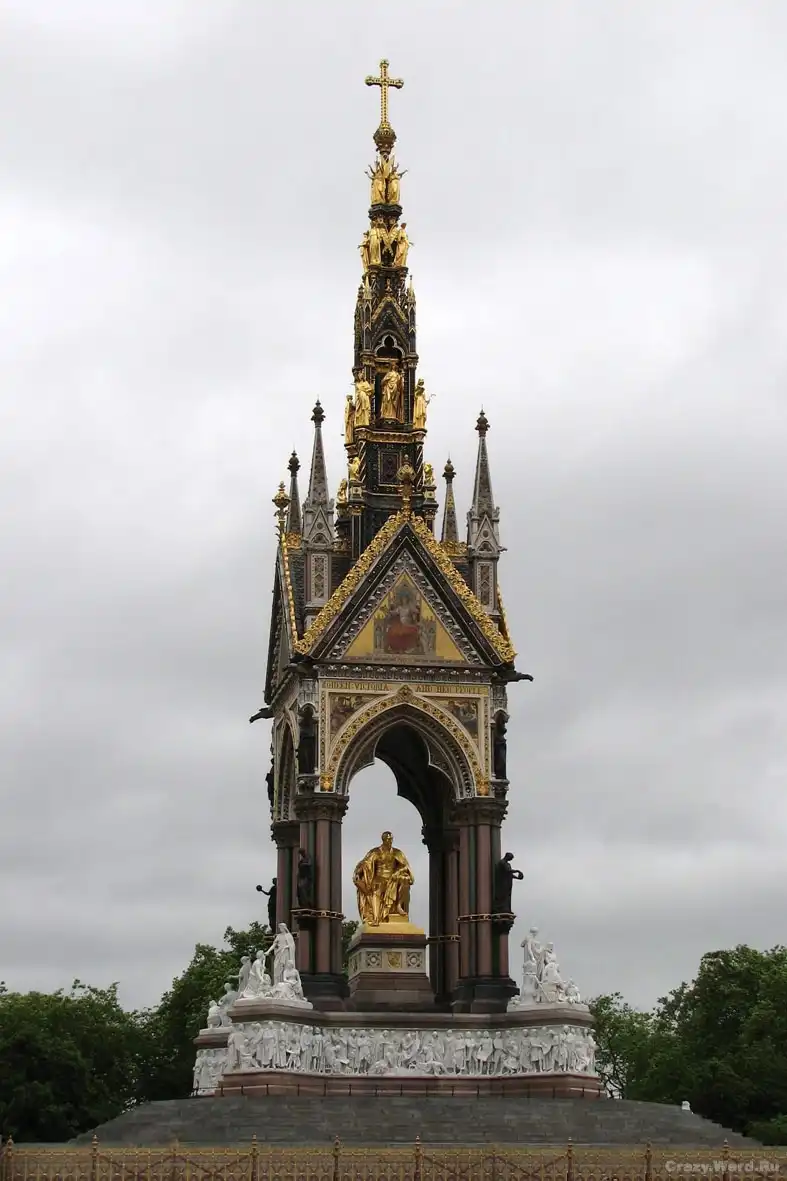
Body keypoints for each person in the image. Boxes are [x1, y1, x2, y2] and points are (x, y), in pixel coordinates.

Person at [352, 831, 414, 926]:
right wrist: (358, 872)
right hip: (378, 878)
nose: (390, 841)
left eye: (391, 839)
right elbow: (365, 863)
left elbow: (405, 866)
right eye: (388, 839)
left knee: (404, 880)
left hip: (393, 879)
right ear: (383, 840)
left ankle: (399, 906)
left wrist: (398, 873)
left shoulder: (397, 853)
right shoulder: (375, 852)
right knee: (376, 888)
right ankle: (376, 918)